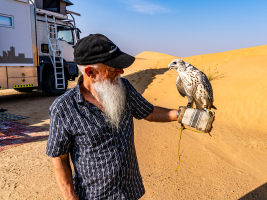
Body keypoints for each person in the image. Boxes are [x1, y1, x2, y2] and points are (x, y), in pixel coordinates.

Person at [46, 34, 179, 200]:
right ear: (90, 72)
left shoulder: (124, 89)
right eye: (113, 67)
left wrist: (182, 115)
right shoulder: (63, 108)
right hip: (94, 196)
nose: (121, 71)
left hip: (130, 193)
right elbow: (59, 157)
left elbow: (150, 112)